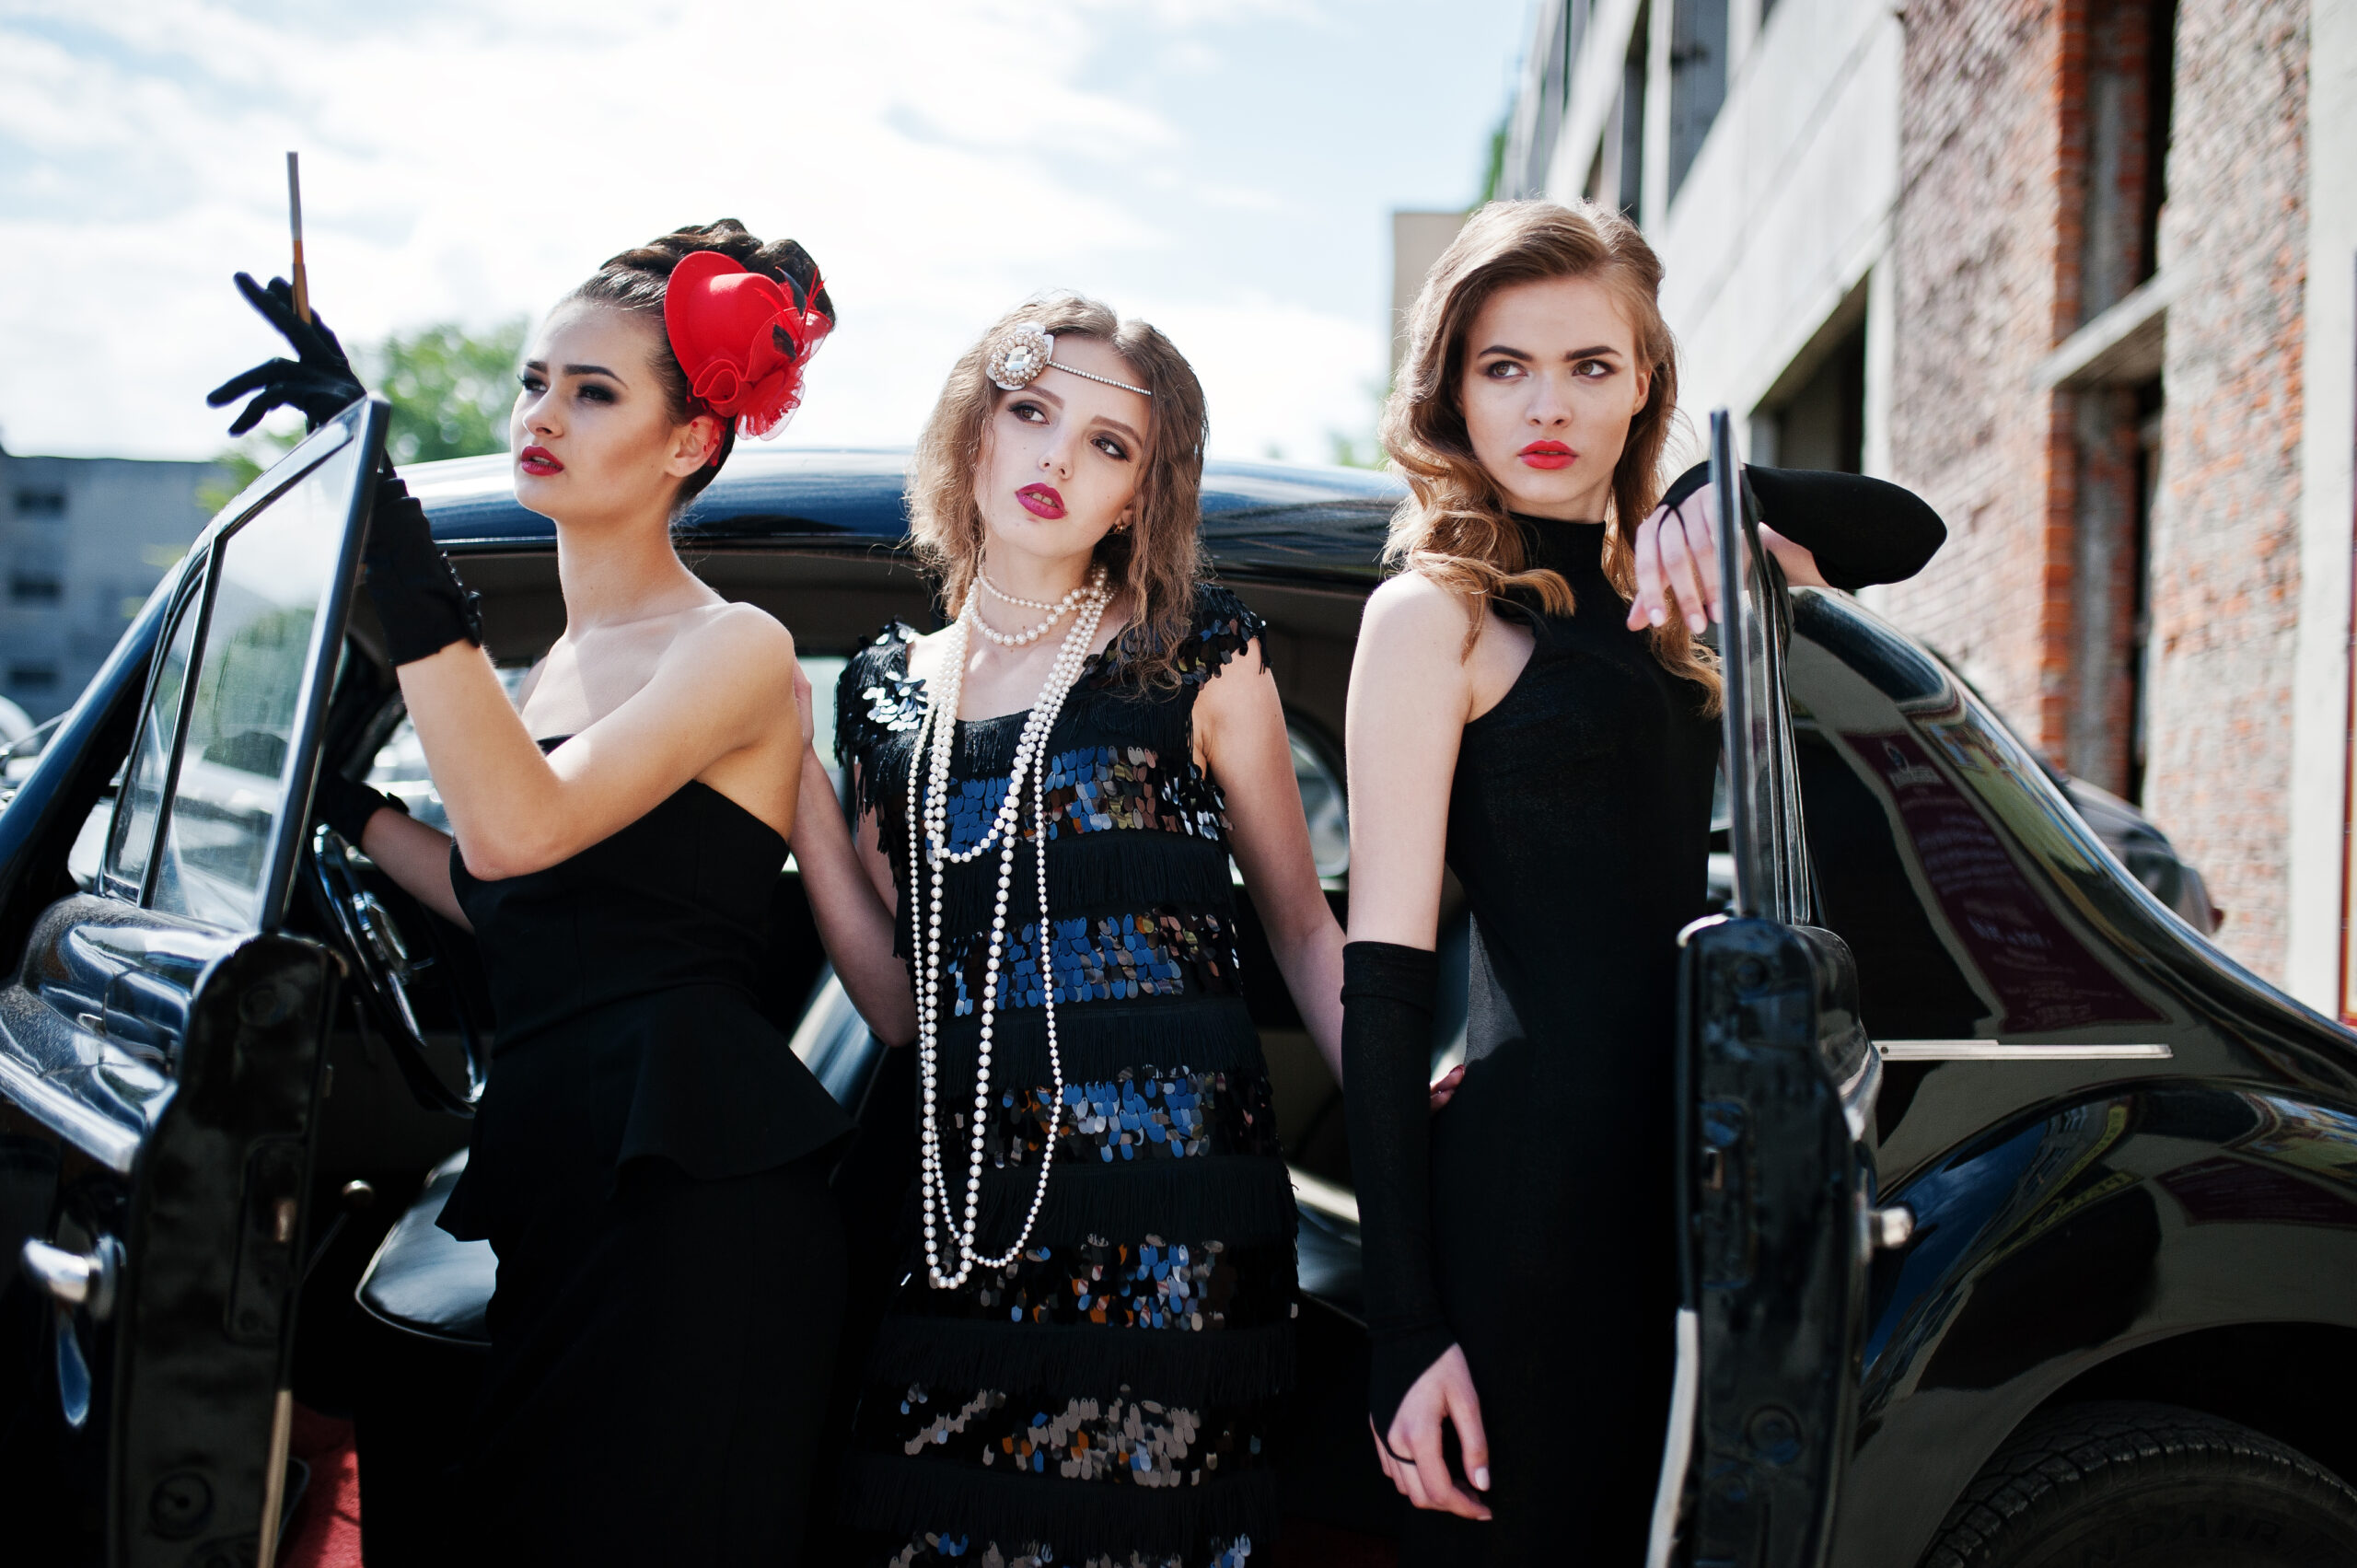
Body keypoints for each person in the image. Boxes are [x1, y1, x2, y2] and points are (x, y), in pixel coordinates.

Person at [209, 219, 853, 1564]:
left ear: (688, 444)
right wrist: (345, 805)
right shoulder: (556, 668)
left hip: (696, 1204)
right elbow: (512, 893)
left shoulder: (733, 646)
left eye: (594, 390)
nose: (543, 413)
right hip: (572, 1179)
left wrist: (384, 517)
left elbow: (517, 832)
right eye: (534, 381)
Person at [1338, 199, 1947, 1565]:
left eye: (1590, 367)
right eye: (1506, 367)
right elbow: (1385, 978)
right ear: (1454, 389)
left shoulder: (1668, 590)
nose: (1547, 403)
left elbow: (1908, 530)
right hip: (1524, 1208)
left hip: (1686, 1192)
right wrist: (1407, 1330)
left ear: (1644, 386)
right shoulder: (1434, 613)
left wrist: (1739, 489)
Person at [786, 295, 1342, 1568]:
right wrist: (804, 801)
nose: (1053, 460)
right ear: (971, 432)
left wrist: (1419, 1171)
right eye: (1031, 412)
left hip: (1175, 1235)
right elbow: (901, 1011)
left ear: (1143, 495)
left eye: (1109, 445)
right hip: (970, 1221)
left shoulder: (1197, 654)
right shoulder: (880, 695)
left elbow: (1307, 931)